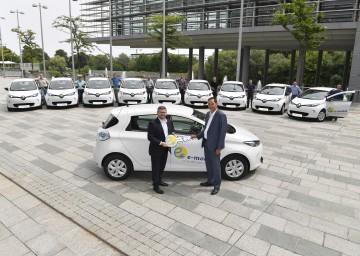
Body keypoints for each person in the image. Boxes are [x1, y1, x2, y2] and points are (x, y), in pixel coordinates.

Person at [191, 97, 227, 195]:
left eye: (212, 104)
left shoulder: (221, 115)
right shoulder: (208, 114)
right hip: (206, 143)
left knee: (216, 166)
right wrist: (197, 136)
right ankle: (210, 181)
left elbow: (222, 133)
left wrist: (219, 148)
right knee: (208, 164)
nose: (210, 106)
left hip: (215, 146)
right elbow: (206, 129)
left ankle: (216, 186)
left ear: (216, 104)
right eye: (209, 104)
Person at [148, 105, 174, 194]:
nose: (163, 114)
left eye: (164, 112)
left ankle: (159, 180)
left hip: (166, 149)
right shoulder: (153, 123)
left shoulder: (169, 122)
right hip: (156, 149)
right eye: (161, 112)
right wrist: (160, 143)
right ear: (157, 113)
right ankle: (156, 186)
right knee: (156, 168)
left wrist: (173, 140)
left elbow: (171, 133)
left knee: (162, 167)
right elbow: (150, 137)